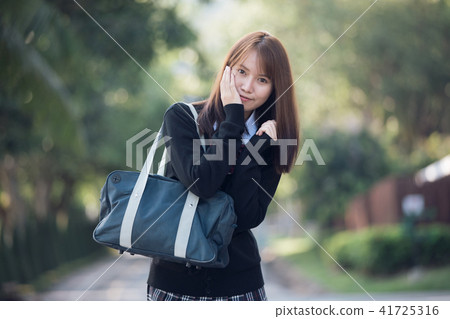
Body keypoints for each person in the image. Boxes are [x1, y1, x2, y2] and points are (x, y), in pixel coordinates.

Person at [147, 31, 300, 301]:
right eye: (242, 71)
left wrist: (255, 149)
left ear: (275, 89)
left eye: (262, 80)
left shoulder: (271, 138)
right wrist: (233, 120)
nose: (247, 86)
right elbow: (202, 184)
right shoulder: (182, 118)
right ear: (228, 69)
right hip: (174, 283)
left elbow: (245, 216)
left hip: (240, 285)